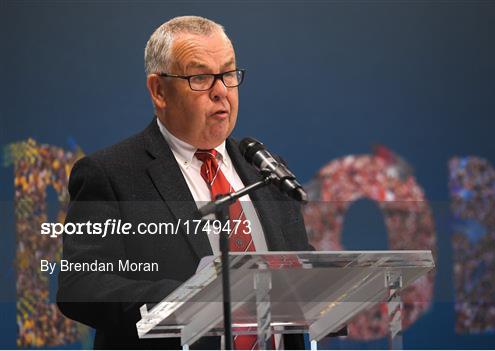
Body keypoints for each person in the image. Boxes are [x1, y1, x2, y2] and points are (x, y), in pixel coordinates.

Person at [56, 16, 310, 349]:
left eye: (229, 74)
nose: (221, 91)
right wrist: (191, 300)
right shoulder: (110, 174)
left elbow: (301, 277)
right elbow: (81, 285)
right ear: (159, 90)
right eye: (201, 77)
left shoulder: (266, 173)